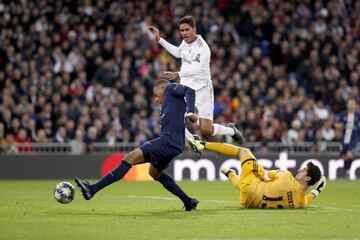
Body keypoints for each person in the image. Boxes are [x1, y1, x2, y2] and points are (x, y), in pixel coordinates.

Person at [75, 79, 199, 211]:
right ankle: (188, 201)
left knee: (129, 158)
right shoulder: (170, 103)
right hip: (175, 145)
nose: (156, 99)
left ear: (162, 88)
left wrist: (191, 112)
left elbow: (189, 90)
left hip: (168, 141)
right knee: (154, 173)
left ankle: (92, 189)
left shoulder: (169, 88)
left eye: (156, 94)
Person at [148, 15, 243, 143]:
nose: (184, 33)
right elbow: (177, 52)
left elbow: (196, 69)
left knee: (206, 129)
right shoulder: (185, 43)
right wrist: (160, 39)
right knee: (174, 116)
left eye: (187, 30)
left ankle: (231, 130)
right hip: (186, 89)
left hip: (202, 89)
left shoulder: (202, 48)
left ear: (194, 29)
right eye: (182, 30)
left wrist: (178, 74)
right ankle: (193, 141)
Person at [188, 139, 326, 209]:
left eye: (302, 171)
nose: (299, 171)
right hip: (248, 203)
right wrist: (319, 189)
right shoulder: (301, 203)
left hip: (251, 187)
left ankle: (203, 144)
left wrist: (260, 173)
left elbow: (266, 175)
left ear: (307, 177)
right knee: (249, 183)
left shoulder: (286, 176)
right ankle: (230, 174)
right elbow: (310, 197)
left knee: (244, 151)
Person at [335, 98, 360, 179]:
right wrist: (339, 126)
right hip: (344, 137)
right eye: (350, 103)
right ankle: (347, 172)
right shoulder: (343, 114)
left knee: (349, 153)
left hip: (353, 137)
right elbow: (338, 124)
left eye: (353, 103)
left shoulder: (357, 115)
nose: (352, 105)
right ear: (347, 105)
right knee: (344, 156)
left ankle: (348, 171)